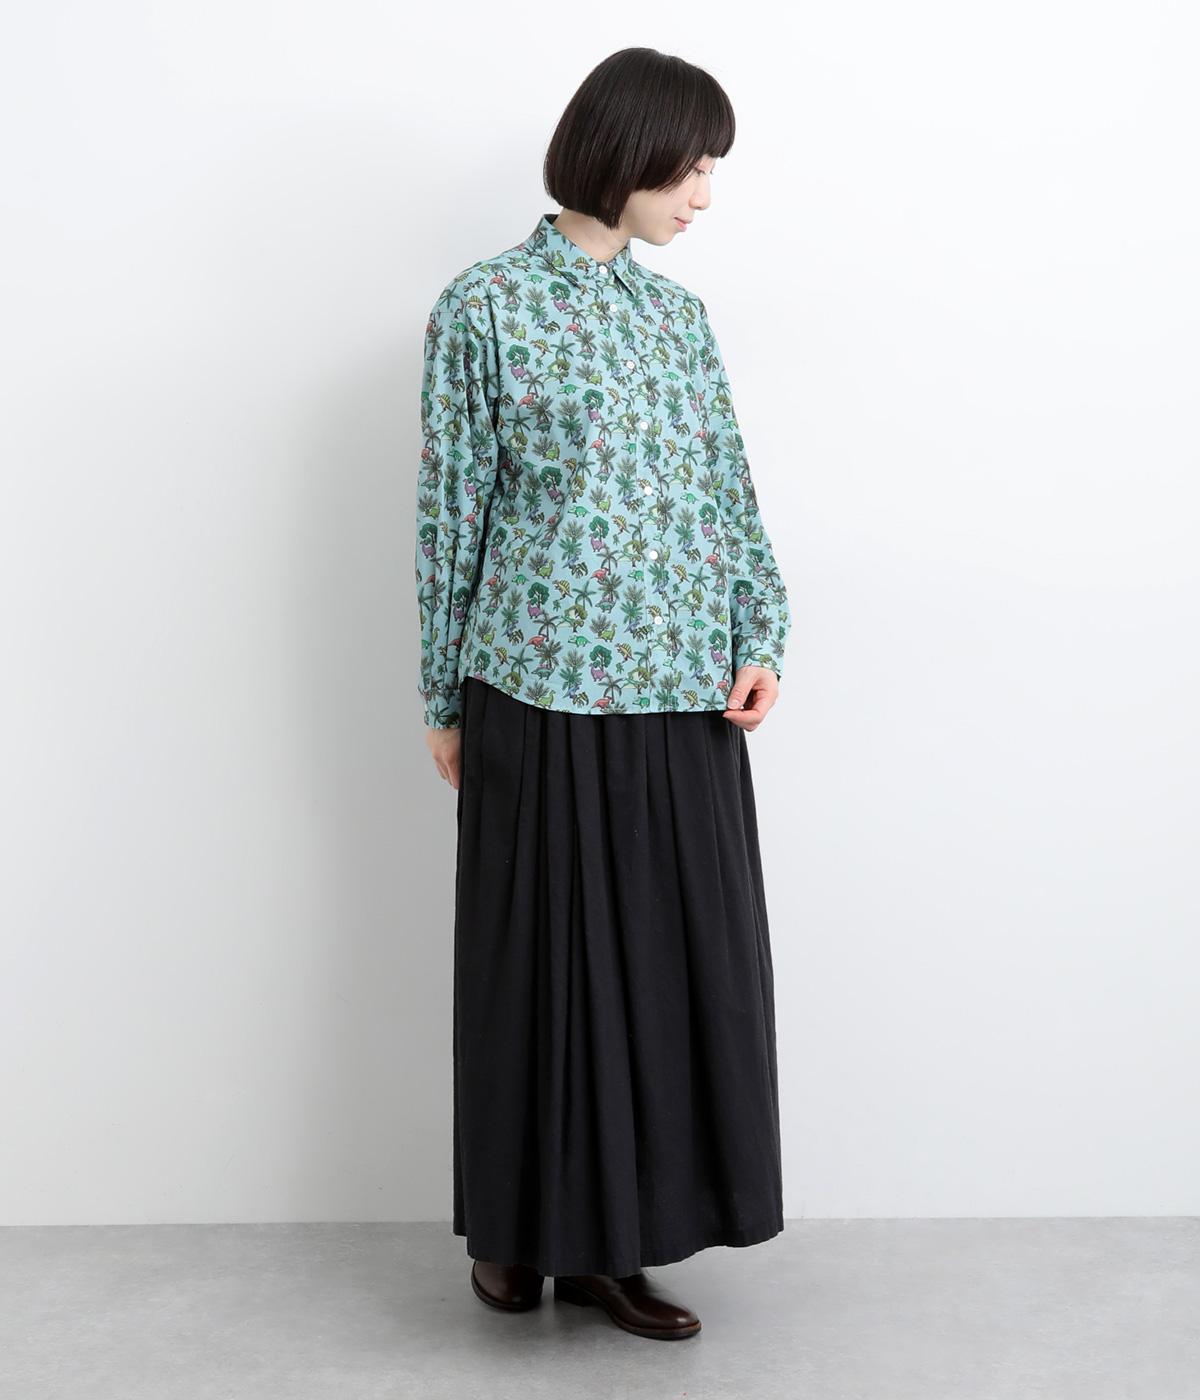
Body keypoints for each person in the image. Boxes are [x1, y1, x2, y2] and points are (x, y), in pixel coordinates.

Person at [414, 47, 791, 1342]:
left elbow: (726, 488)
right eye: (689, 169)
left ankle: (618, 1247)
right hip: (536, 689)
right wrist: (441, 697)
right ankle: (518, 1240)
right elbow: (451, 513)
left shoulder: (678, 320)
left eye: (710, 172)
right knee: (538, 975)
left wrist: (760, 631)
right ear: (623, 153)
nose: (702, 197)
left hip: (682, 692)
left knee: (665, 975)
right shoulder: (485, 308)